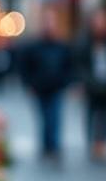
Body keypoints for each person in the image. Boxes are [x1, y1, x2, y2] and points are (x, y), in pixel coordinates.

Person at [19, 12, 73, 160]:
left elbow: (68, 65)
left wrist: (66, 82)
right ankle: (46, 145)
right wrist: (29, 84)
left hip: (56, 88)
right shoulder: (33, 47)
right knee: (44, 118)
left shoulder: (61, 46)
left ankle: (54, 146)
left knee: (54, 118)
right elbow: (25, 67)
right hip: (39, 89)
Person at [76, 11, 106, 161]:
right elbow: (81, 65)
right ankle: (92, 143)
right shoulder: (86, 44)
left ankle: (102, 143)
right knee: (91, 115)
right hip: (92, 88)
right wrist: (87, 83)